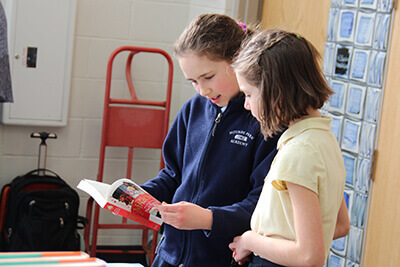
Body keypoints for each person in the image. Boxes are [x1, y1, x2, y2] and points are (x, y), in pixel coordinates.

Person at [140, 14, 281, 266]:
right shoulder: (193, 109)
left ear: (237, 59)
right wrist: (138, 195)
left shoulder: (264, 121)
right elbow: (173, 176)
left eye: (208, 77)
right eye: (193, 81)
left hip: (221, 258)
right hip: (169, 256)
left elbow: (261, 205)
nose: (202, 90)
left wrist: (208, 218)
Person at [229, 29, 350, 266]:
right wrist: (273, 245)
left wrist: (250, 240)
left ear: (277, 94)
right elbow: (339, 225)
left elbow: (309, 256)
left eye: (249, 94)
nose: (246, 105)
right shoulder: (323, 140)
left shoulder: (299, 152)